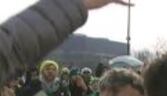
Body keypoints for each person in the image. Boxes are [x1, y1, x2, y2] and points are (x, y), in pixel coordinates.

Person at [0, 0, 133, 88]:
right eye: (48, 69)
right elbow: (12, 51)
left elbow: (11, 51)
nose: (51, 72)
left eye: (53, 69)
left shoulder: (62, 88)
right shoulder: (33, 89)